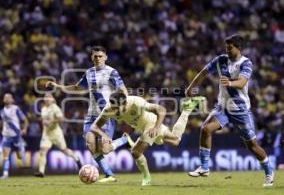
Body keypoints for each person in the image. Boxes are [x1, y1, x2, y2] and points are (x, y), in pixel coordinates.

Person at [185, 34, 274, 187]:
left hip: (240, 110)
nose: (227, 49)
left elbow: (242, 81)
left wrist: (230, 83)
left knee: (251, 145)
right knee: (206, 129)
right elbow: (203, 73)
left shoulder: (246, 63)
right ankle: (204, 167)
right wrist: (191, 87)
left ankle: (268, 171)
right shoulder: (220, 60)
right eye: (226, 47)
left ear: (239, 48)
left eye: (230, 47)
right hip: (223, 107)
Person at [46, 46, 129, 182]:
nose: (97, 58)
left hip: (106, 115)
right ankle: (109, 174)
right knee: (91, 145)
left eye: (100, 56)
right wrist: (58, 86)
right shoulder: (89, 72)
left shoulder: (111, 72)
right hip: (91, 115)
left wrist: (124, 105)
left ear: (105, 57)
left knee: (104, 149)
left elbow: (123, 89)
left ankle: (125, 140)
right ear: (91, 58)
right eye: (95, 56)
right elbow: (76, 87)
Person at [90, 92, 205, 186]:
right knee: (175, 141)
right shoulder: (109, 109)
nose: (115, 111)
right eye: (113, 107)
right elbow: (94, 126)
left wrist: (156, 127)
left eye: (117, 108)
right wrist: (103, 135)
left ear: (125, 103)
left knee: (135, 151)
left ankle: (147, 178)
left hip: (151, 123)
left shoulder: (136, 102)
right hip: (141, 127)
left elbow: (161, 110)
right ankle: (186, 110)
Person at [34, 93, 82, 177]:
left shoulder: (55, 108)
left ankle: (76, 158)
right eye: (46, 97)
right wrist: (43, 122)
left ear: (52, 99)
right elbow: (43, 119)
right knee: (43, 151)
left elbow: (61, 119)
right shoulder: (43, 108)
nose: (47, 98)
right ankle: (41, 172)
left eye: (49, 97)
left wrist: (50, 121)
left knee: (64, 150)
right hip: (46, 133)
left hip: (56, 133)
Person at [0, 93, 29, 179]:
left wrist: (25, 129)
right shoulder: (2, 111)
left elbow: (25, 120)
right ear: (3, 100)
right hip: (6, 135)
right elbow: (3, 122)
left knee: (19, 156)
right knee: (6, 156)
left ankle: (21, 146)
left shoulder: (16, 109)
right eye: (5, 98)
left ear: (12, 100)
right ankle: (5, 174)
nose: (7, 99)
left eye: (9, 97)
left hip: (16, 135)